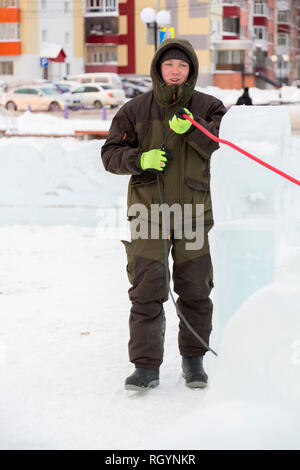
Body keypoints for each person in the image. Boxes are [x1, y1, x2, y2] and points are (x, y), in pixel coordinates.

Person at [101, 38, 227, 391]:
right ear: (158, 68)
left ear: (191, 71)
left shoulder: (210, 106)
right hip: (147, 211)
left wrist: (197, 131)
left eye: (182, 66)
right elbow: (110, 153)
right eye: (169, 65)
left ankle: (194, 361)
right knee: (146, 289)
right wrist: (138, 160)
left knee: (196, 289)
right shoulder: (134, 110)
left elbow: (224, 147)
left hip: (194, 212)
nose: (175, 71)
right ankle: (145, 366)